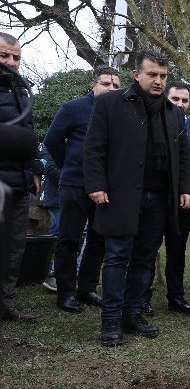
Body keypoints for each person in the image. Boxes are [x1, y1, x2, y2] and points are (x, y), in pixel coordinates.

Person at [84, 50, 190, 346]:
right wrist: (96, 184)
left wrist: (185, 188)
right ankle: (111, 321)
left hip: (160, 199)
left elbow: (183, 156)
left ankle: (132, 314)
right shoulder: (109, 103)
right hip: (119, 196)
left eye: (163, 76)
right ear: (136, 74)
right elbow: (94, 148)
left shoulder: (173, 114)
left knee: (145, 258)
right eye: (152, 75)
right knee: (117, 256)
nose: (159, 81)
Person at [45, 67, 121, 313]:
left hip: (105, 187)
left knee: (98, 239)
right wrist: (70, 164)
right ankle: (65, 292)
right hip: (75, 184)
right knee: (70, 238)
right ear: (93, 85)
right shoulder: (73, 108)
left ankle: (86, 288)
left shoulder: (118, 114)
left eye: (116, 86)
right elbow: (52, 141)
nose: (111, 89)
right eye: (106, 84)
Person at [141, 81, 190, 316]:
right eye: (175, 99)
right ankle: (142, 297)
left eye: (185, 100)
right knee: (147, 249)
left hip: (183, 200)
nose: (180, 104)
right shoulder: (150, 121)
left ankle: (176, 297)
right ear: (166, 99)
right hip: (155, 198)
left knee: (177, 251)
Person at [0, 32, 41, 322]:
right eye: (4, 56)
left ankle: (5, 301)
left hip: (18, 184)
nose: (11, 62)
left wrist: (35, 170)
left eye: (16, 57)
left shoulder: (21, 92)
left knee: (13, 247)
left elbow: (28, 137)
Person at [39, 144, 61, 293]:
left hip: (71, 197)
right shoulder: (50, 146)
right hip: (56, 198)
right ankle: (48, 271)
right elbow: (50, 170)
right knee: (57, 231)